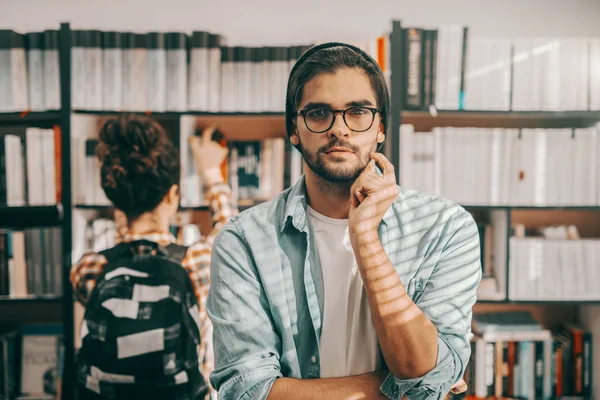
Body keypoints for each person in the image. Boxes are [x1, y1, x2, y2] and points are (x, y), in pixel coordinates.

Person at [207, 42, 480, 400]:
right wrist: (406, 391)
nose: (340, 129)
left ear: (380, 127)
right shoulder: (243, 241)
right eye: (319, 113)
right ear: (294, 129)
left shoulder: (444, 229)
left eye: (358, 112)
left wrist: (365, 237)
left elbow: (424, 372)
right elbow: (247, 391)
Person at [70, 115, 237, 399]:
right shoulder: (196, 262)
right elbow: (232, 232)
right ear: (172, 196)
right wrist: (211, 173)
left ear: (115, 201)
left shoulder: (88, 269)